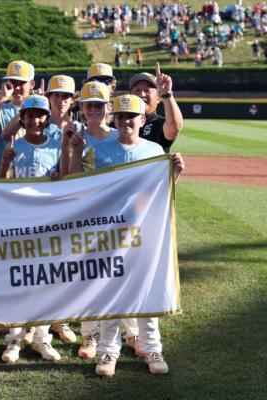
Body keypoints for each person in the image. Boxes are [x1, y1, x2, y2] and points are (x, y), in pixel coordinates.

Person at [68, 94, 184, 376]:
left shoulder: (155, 150)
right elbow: (78, 186)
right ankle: (108, 353)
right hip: (109, 234)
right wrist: (74, 152)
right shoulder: (99, 149)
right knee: (111, 294)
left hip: (145, 233)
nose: (125, 121)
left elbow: (161, 192)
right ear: (114, 119)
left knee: (147, 292)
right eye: (120, 116)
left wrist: (175, 174)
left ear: (142, 120)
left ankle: (153, 349)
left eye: (130, 116)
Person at [0, 95, 62, 363]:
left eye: (39, 115)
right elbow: (1, 186)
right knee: (19, 280)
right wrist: (4, 163)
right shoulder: (15, 146)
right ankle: (14, 339)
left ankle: (41, 339)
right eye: (29, 115)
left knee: (46, 281)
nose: (34, 120)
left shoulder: (57, 145)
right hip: (19, 221)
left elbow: (68, 177)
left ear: (46, 118)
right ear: (21, 119)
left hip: (49, 221)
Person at [0, 60, 36, 171]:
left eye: (21, 83)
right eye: (13, 82)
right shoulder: (1, 109)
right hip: (4, 175)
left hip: (30, 173)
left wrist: (35, 102)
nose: (16, 87)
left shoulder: (39, 111)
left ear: (32, 84)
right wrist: (3, 97)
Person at [128, 63, 184, 152]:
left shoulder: (159, 124)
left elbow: (175, 127)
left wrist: (166, 93)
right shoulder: (120, 122)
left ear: (158, 98)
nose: (142, 94)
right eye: (137, 90)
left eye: (147, 91)